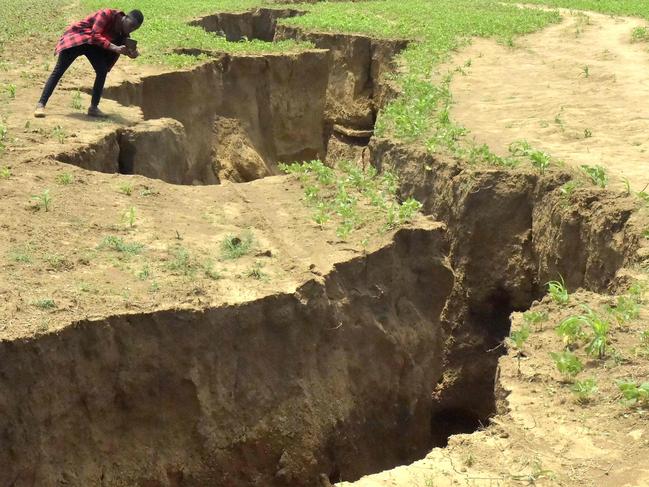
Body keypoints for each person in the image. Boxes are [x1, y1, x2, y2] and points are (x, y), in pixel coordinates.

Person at [34, 9, 144, 118]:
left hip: (92, 47)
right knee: (58, 71)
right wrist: (115, 48)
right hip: (79, 39)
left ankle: (93, 108)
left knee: (102, 71)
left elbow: (125, 46)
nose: (132, 29)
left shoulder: (123, 34)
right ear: (126, 17)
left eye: (135, 28)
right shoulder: (107, 14)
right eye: (131, 25)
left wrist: (132, 53)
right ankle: (41, 104)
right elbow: (95, 35)